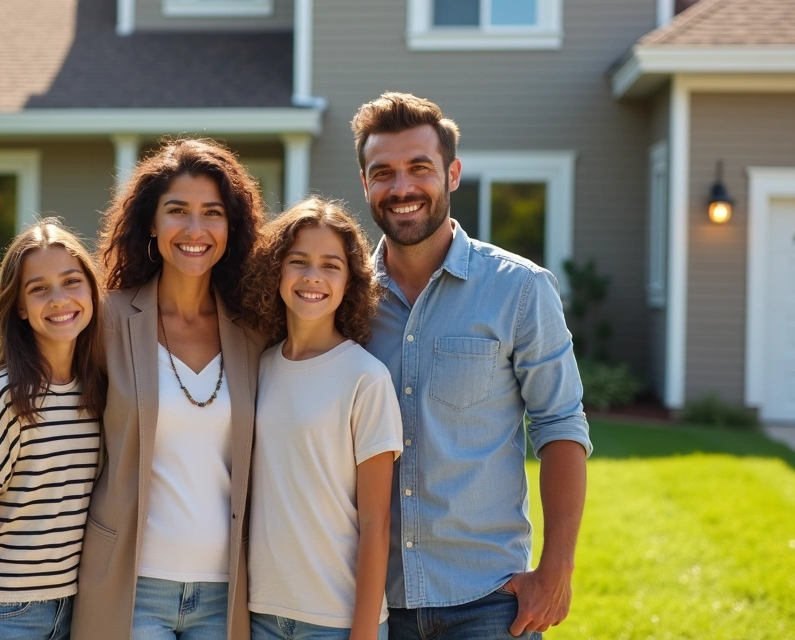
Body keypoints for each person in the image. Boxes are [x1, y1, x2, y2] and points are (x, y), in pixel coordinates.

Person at [0, 139, 268, 640]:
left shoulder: (254, 331)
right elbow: (45, 362)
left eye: (212, 213)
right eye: (177, 211)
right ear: (151, 223)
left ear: (231, 227)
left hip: (225, 589)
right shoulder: (108, 319)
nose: (194, 229)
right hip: (130, 585)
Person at [351, 92, 591, 640]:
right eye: (382, 172)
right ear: (366, 184)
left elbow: (560, 425)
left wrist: (556, 569)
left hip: (488, 602)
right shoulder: (344, 301)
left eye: (420, 168)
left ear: (452, 173)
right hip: (372, 602)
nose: (402, 188)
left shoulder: (520, 289)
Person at [241, 197, 402, 640]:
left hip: (335, 622)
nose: (313, 276)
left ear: (350, 281)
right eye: (299, 261)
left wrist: (364, 631)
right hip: (261, 614)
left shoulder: (366, 379)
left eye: (331, 265)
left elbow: (377, 522)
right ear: (276, 270)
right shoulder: (261, 366)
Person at [0, 218, 107, 640]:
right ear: (19, 306)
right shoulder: (1, 398)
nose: (59, 300)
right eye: (38, 289)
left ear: (92, 290)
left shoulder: (99, 388)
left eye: (72, 281)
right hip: (8, 612)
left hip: (76, 606)